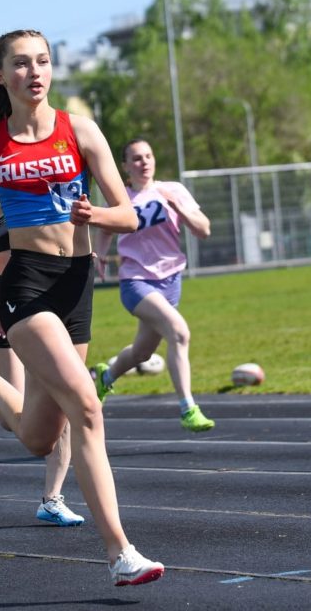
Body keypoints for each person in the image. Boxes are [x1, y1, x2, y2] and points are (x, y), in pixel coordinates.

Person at [0, 29, 163, 586]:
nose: (36, 72)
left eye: (44, 61)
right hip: (25, 286)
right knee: (87, 403)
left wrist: (95, 217)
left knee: (38, 436)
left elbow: (127, 215)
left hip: (76, 282)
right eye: (23, 64)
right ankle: (120, 553)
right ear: (0, 76)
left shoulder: (79, 130)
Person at [0, 177, 83, 527]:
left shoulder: (51, 187)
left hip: (53, 300)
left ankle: (52, 499)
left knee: (65, 398)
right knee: (14, 420)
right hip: (9, 302)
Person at [91, 138, 215, 432]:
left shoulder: (173, 190)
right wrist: (99, 255)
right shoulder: (122, 198)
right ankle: (188, 408)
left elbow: (204, 230)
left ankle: (105, 378)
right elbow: (107, 226)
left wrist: (177, 208)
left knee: (141, 353)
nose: (143, 162)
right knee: (180, 333)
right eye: (136, 158)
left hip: (171, 281)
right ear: (125, 167)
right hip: (136, 282)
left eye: (148, 156)